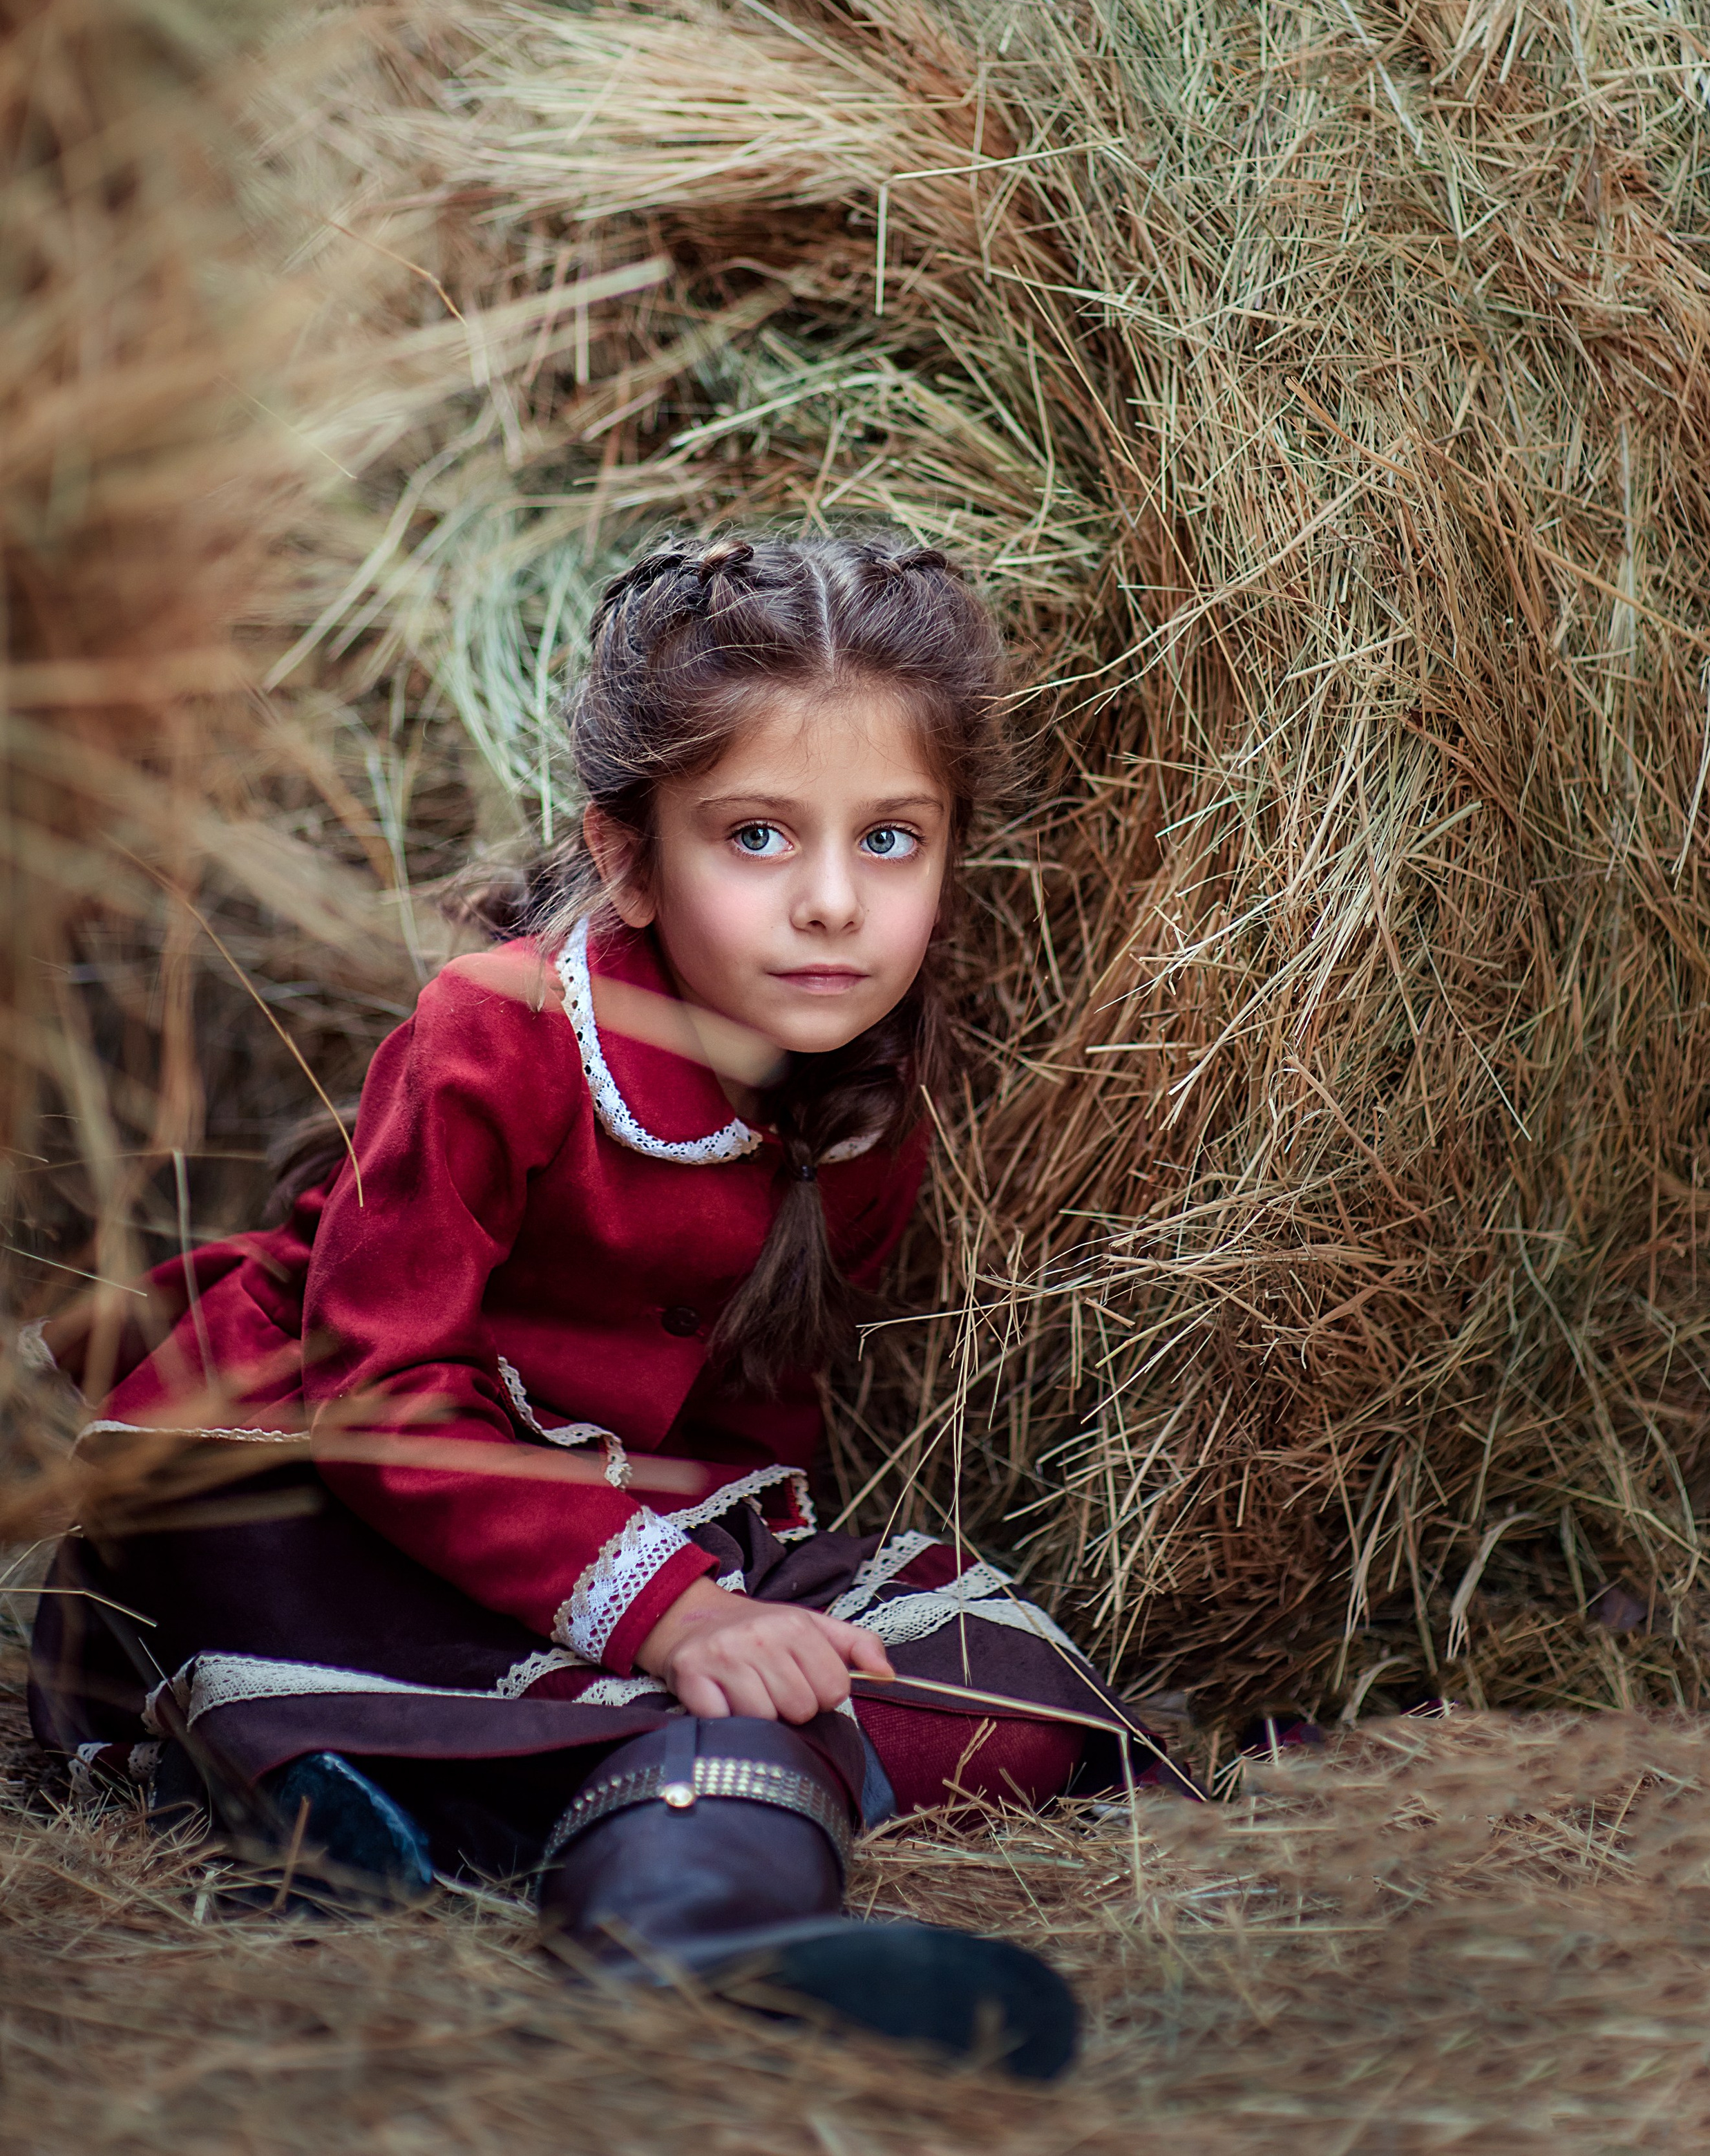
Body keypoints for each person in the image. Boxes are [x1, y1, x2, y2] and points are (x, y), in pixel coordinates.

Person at [28, 531, 1167, 2078]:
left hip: (614, 1515)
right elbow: (375, 1394)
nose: (833, 902)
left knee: (987, 1681)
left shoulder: (865, 1100)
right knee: (657, 1668)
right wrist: (674, 1615)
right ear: (630, 856)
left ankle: (451, 1803)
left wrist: (741, 1601)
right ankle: (668, 1919)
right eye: (757, 836)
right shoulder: (495, 1037)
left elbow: (754, 1397)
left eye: (890, 840)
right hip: (334, 1489)